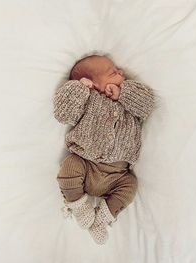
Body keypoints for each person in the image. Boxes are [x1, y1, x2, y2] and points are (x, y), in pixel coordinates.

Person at [53, 54, 155, 245]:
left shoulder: (128, 103)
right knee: (69, 167)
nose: (121, 72)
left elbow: (148, 105)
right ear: (93, 83)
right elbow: (62, 113)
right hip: (86, 163)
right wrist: (79, 88)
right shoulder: (87, 100)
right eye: (113, 72)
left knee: (130, 187)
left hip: (118, 175)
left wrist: (122, 93)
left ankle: (101, 219)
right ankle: (79, 206)